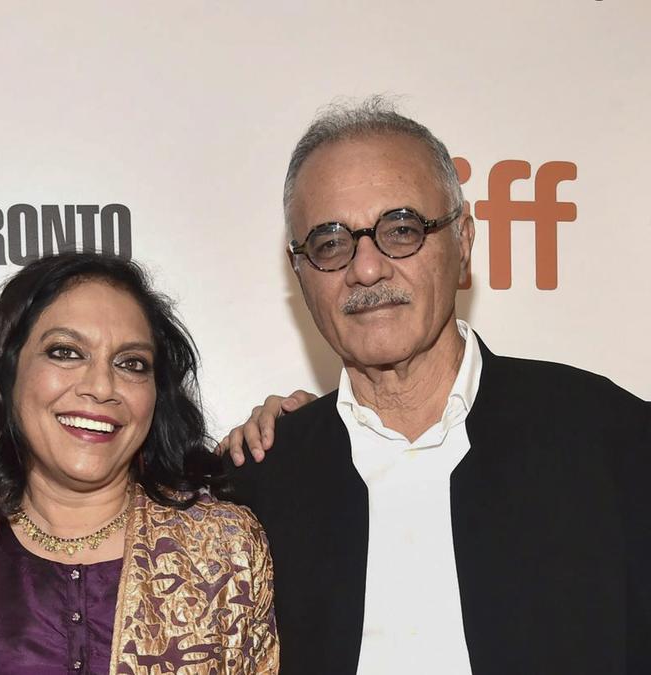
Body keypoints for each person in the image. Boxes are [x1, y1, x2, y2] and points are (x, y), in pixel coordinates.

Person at [221, 98, 651, 674]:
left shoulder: (613, 441)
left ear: (464, 240)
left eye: (401, 230)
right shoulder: (252, 490)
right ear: (299, 272)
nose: (367, 269)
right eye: (330, 243)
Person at [0, 252, 279, 674]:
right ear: (7, 373)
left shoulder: (225, 548)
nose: (102, 387)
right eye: (66, 352)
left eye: (131, 363)